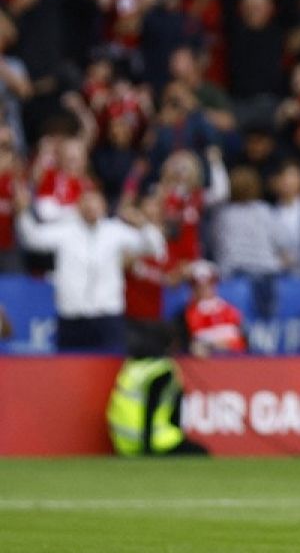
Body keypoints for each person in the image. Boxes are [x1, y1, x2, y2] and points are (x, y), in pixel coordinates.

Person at [15, 185, 165, 352]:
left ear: (104, 206)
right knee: (68, 370)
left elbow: (155, 248)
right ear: (79, 206)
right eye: (86, 202)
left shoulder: (115, 231)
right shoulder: (66, 231)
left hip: (107, 315)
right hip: (72, 316)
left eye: (96, 202)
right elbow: (33, 238)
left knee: (109, 371)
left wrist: (142, 222)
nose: (91, 207)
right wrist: (23, 212)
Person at [107, 324, 208, 457]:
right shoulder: (162, 370)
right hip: (149, 440)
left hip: (123, 442)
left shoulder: (133, 365)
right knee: (201, 453)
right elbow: (151, 408)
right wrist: (147, 450)